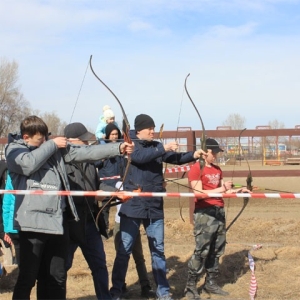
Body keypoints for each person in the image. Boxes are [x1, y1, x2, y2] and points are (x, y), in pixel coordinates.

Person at [5, 115, 133, 300]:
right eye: (40, 139)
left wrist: (118, 148)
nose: (45, 142)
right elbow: (27, 164)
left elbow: (85, 153)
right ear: (26, 137)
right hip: (32, 227)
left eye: (46, 138)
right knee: (28, 278)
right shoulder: (14, 150)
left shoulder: (52, 149)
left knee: (56, 277)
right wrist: (52, 145)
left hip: (57, 224)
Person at [109, 114, 206, 300]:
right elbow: (139, 157)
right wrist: (162, 147)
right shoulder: (131, 145)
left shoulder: (156, 146)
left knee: (158, 251)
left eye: (153, 128)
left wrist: (193, 155)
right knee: (124, 250)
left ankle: (163, 292)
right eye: (149, 129)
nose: (153, 131)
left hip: (154, 208)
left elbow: (175, 157)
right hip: (133, 207)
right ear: (139, 131)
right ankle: (116, 292)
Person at [64, 122, 131, 300]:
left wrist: (116, 192)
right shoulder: (61, 162)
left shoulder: (88, 162)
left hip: (89, 222)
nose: (87, 144)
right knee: (62, 267)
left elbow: (97, 184)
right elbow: (65, 194)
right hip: (69, 224)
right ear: (71, 141)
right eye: (83, 141)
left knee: (100, 265)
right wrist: (94, 196)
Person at [184, 138, 251, 300]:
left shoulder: (217, 169)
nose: (215, 155)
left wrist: (239, 191)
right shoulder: (195, 169)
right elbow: (199, 194)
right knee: (202, 250)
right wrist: (222, 188)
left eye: (216, 152)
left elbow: (223, 192)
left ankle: (211, 283)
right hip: (204, 214)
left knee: (217, 249)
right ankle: (190, 286)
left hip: (218, 211)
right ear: (205, 152)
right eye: (213, 152)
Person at [98, 123, 155, 298]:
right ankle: (119, 288)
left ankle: (145, 286)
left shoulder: (132, 165)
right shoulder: (113, 165)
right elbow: (109, 183)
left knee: (138, 255)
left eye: (118, 134)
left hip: (135, 216)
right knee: (122, 255)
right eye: (112, 134)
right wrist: (120, 188)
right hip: (120, 219)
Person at [95, 123, 125, 236]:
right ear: (107, 135)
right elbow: (95, 163)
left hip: (119, 183)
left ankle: (121, 229)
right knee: (104, 209)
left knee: (121, 207)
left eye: (116, 134)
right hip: (105, 183)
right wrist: (102, 158)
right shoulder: (101, 147)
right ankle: (104, 231)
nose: (114, 136)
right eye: (112, 134)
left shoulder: (120, 147)